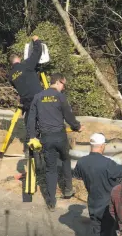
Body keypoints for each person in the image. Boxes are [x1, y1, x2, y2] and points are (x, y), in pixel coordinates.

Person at [26, 73, 83, 211]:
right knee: (65, 159)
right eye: (64, 84)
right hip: (60, 135)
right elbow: (68, 116)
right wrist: (77, 126)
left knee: (50, 170)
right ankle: (68, 190)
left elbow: (31, 119)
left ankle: (51, 203)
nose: (64, 88)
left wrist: (32, 136)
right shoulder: (60, 97)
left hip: (46, 137)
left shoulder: (38, 97)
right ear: (58, 82)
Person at [8, 35, 44, 146]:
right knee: (43, 118)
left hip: (26, 100)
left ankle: (31, 141)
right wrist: (36, 40)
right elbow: (37, 52)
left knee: (30, 120)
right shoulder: (25, 65)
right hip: (37, 96)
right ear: (18, 59)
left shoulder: (10, 75)